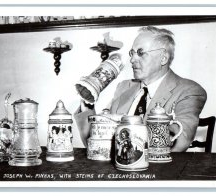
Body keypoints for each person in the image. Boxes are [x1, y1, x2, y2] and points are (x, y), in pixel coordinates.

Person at [74, 26, 207, 152]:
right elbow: (97, 144)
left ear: (163, 58)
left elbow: (181, 139)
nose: (132, 59)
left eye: (140, 53)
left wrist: (123, 131)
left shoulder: (189, 91)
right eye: (132, 53)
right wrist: (87, 104)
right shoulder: (124, 87)